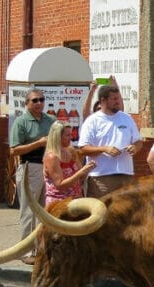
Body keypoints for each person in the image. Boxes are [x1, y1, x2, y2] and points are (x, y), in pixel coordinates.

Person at [9, 88, 55, 265]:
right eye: (35, 100)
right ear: (27, 103)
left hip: (49, 166)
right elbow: (14, 150)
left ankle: (43, 248)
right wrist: (38, 143)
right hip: (30, 166)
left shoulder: (50, 120)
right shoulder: (21, 122)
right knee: (29, 211)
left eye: (41, 100)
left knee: (46, 209)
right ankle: (26, 250)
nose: (39, 103)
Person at [79, 85, 143, 196]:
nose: (118, 102)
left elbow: (138, 142)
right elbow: (83, 149)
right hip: (101, 177)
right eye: (114, 99)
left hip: (126, 174)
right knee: (102, 210)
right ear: (103, 100)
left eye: (118, 98)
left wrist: (135, 148)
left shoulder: (126, 118)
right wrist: (104, 149)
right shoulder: (92, 121)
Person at [44, 121, 95, 205]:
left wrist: (87, 169)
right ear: (57, 137)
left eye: (71, 134)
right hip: (59, 203)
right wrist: (81, 172)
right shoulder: (52, 157)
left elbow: (81, 177)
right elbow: (60, 185)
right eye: (68, 135)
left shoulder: (71, 150)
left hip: (76, 201)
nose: (71, 137)